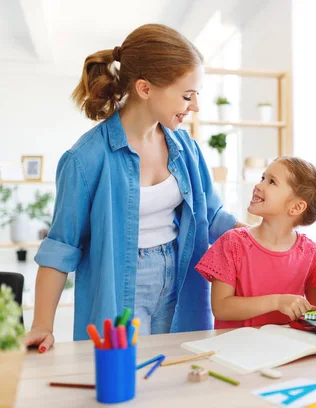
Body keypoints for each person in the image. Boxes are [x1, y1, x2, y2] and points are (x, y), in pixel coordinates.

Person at [25, 24, 242, 352]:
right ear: (144, 88)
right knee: (125, 378)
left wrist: (267, 234)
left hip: (182, 275)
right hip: (122, 283)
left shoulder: (187, 148)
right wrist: (42, 325)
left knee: (180, 372)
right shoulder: (86, 158)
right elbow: (60, 247)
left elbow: (211, 217)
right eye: (187, 95)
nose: (195, 105)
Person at [196, 157, 316, 329]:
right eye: (262, 178)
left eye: (271, 182)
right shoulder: (232, 243)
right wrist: (277, 301)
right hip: (235, 349)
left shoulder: (309, 252)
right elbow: (221, 308)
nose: (259, 185)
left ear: (296, 208)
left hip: (285, 349)